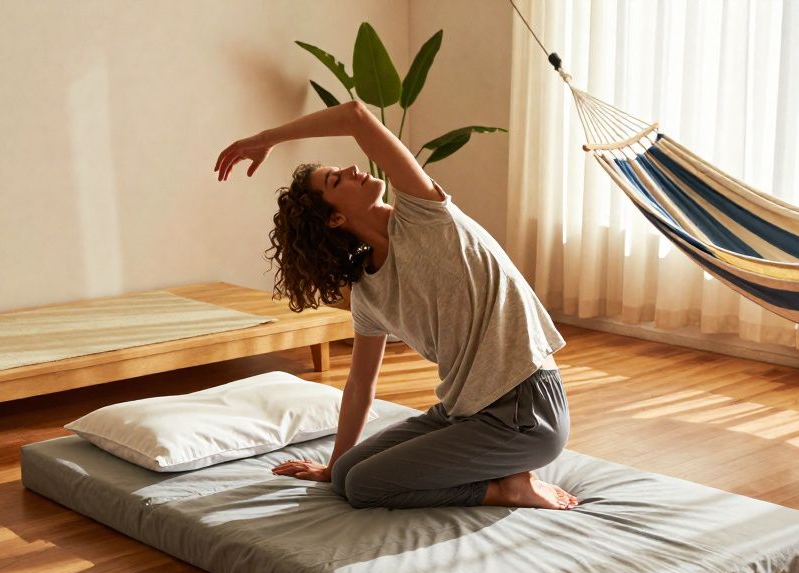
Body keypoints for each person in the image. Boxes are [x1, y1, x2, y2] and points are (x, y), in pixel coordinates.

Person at [214, 100, 577, 510]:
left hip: (525, 413)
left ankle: (506, 488)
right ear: (334, 220)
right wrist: (333, 466)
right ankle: (494, 470)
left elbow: (355, 116)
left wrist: (268, 139)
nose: (353, 169)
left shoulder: (424, 215)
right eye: (336, 180)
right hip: (463, 413)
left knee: (366, 486)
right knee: (347, 478)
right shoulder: (368, 292)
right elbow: (359, 385)